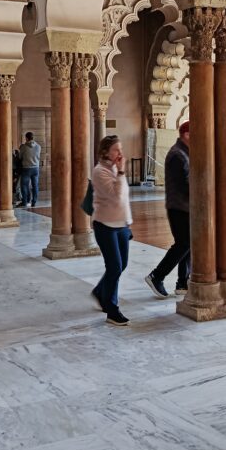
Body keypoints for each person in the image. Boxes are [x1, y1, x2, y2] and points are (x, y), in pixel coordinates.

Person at [90, 135, 133, 326]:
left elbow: (124, 199)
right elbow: (115, 196)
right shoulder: (99, 171)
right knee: (114, 267)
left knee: (121, 265)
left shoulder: (114, 168)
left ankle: (100, 291)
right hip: (105, 225)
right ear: (106, 152)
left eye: (120, 149)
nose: (120, 153)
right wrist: (122, 172)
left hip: (121, 224)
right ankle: (112, 310)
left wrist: (128, 223)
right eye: (116, 149)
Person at [145, 121, 191, 299]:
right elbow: (183, 185)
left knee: (188, 244)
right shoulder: (177, 155)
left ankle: (183, 283)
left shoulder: (184, 152)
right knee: (183, 244)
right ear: (186, 135)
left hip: (185, 206)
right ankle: (157, 276)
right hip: (179, 207)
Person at [17, 131, 41, 207]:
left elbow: (20, 157)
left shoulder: (23, 147)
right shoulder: (38, 146)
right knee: (35, 186)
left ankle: (25, 202)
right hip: (36, 168)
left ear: (26, 138)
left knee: (24, 185)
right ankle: (34, 202)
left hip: (26, 168)